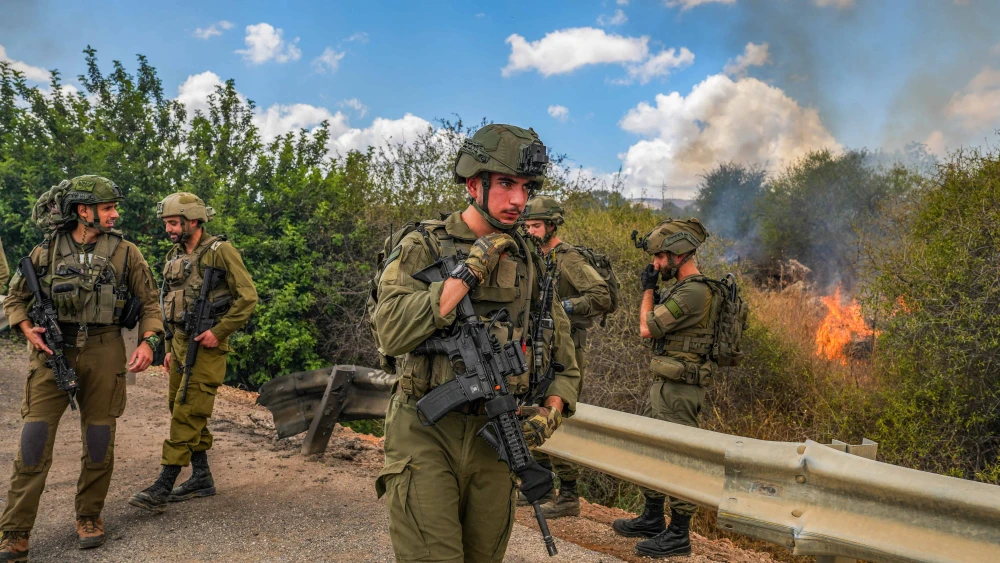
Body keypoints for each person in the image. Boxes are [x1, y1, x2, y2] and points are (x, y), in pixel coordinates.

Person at [372, 124, 580, 562]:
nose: (518, 200)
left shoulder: (530, 260)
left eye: (526, 188)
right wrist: (468, 272)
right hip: (425, 431)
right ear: (473, 184)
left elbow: (564, 359)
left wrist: (551, 413)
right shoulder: (422, 245)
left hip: (497, 436)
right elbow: (391, 332)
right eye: (505, 184)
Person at [0, 176, 163, 559]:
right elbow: (15, 298)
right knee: (33, 441)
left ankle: (89, 515)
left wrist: (149, 342)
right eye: (108, 208)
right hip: (51, 354)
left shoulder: (126, 253)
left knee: (99, 439)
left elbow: (150, 303)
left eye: (113, 207)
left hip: (105, 351)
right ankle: (15, 531)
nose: (115, 214)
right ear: (83, 211)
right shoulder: (45, 251)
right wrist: (26, 328)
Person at [129, 193, 257, 514]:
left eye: (174, 223)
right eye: (167, 223)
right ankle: (201, 477)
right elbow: (169, 303)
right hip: (180, 344)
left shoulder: (220, 251)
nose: (169, 229)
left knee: (188, 410)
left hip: (206, 345)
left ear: (194, 221)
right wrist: (170, 346)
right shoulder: (175, 255)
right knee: (179, 406)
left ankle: (164, 484)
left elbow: (248, 297)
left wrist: (219, 331)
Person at [612, 218, 712, 558]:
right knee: (650, 448)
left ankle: (679, 534)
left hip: (681, 389)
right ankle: (653, 517)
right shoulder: (683, 289)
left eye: (659, 257)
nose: (655, 264)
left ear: (678, 254)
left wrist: (647, 291)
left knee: (678, 457)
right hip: (666, 384)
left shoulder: (695, 291)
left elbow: (647, 328)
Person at [521, 196, 612, 519]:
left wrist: (563, 308)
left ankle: (569, 494)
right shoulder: (533, 256)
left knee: (559, 415)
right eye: (526, 226)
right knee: (534, 410)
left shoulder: (568, 258)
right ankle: (542, 486)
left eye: (535, 226)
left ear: (552, 226)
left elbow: (601, 295)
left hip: (567, 347)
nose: (530, 231)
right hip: (539, 347)